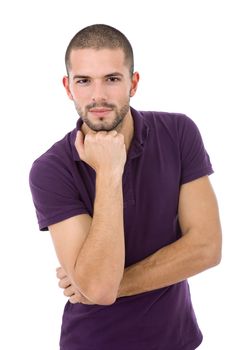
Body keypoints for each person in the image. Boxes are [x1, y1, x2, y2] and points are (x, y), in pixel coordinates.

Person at [29, 24, 222, 350]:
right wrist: (108, 171)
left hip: (179, 341)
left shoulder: (179, 132)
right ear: (68, 87)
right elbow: (98, 288)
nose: (98, 95)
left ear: (133, 83)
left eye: (112, 79)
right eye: (84, 81)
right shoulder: (50, 169)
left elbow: (207, 248)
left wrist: (100, 286)